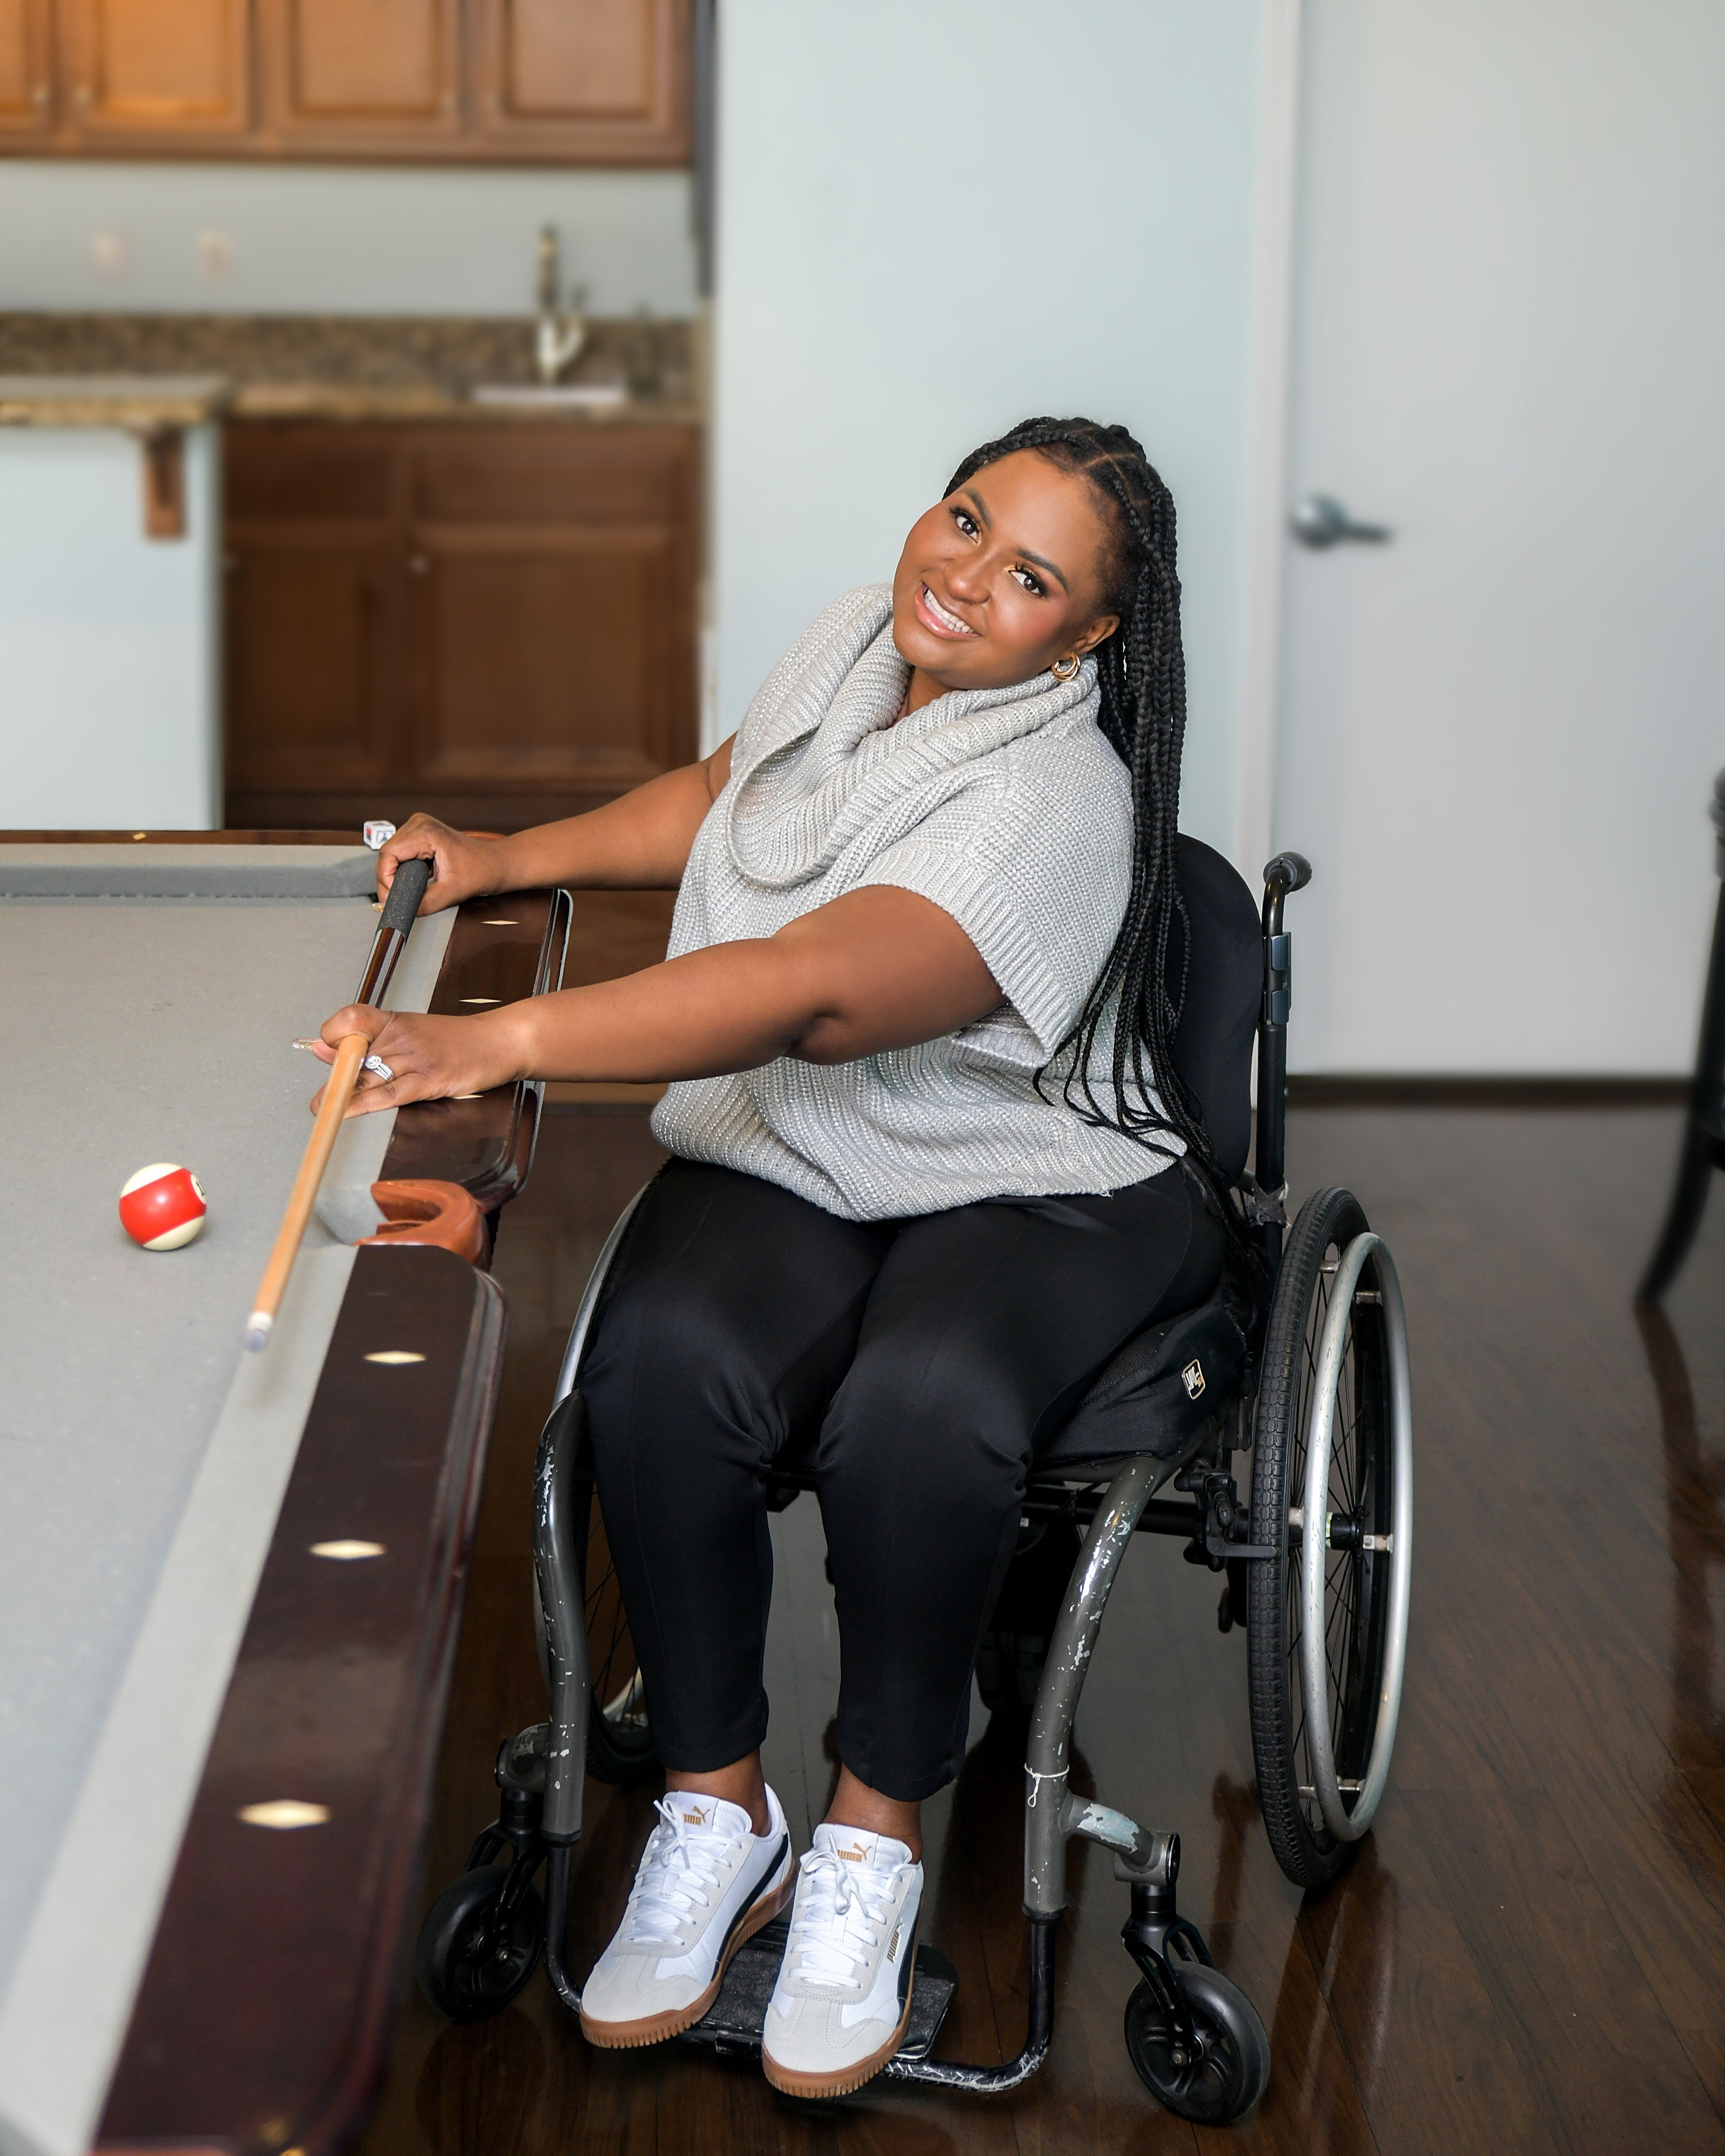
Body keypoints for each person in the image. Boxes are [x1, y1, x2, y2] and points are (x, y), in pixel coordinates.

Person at [311, 416, 1234, 2098]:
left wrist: (505, 1035)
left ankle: (870, 1843)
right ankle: (711, 1809)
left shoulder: (1053, 796)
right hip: (811, 1147)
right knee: (659, 1362)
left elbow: (811, 986)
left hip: (1024, 1176)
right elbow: (736, 799)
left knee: (921, 1405)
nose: (961, 577)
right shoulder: (862, 643)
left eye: (1027, 575)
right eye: (964, 521)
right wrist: (511, 857)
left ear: (1085, 635)